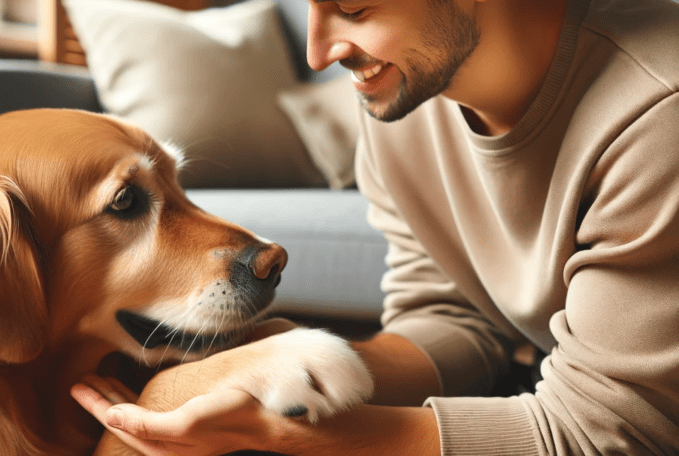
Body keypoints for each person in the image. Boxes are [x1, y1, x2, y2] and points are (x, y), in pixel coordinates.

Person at [71, 0, 679, 454]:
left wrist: (292, 435)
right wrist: (284, 360)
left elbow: (609, 433)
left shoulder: (657, 115)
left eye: (352, 6)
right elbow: (457, 318)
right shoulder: (400, 102)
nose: (318, 53)